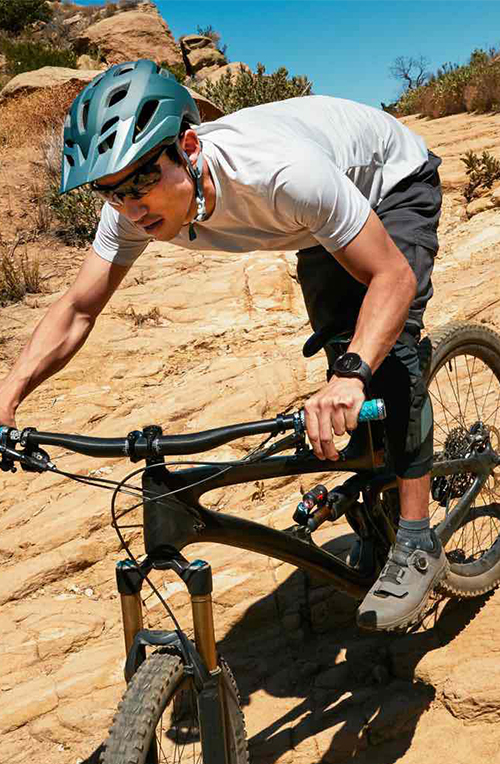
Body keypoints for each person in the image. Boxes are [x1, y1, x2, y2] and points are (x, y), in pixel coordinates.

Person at [0, 59, 446, 631]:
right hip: (316, 221)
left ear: (188, 147)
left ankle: (416, 540)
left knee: (383, 355)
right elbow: (78, 309)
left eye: (140, 183)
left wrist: (354, 374)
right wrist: (8, 395)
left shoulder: (279, 174)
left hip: (388, 181)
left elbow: (393, 278)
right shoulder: (130, 212)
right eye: (109, 193)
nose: (131, 207)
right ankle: (380, 491)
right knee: (345, 350)